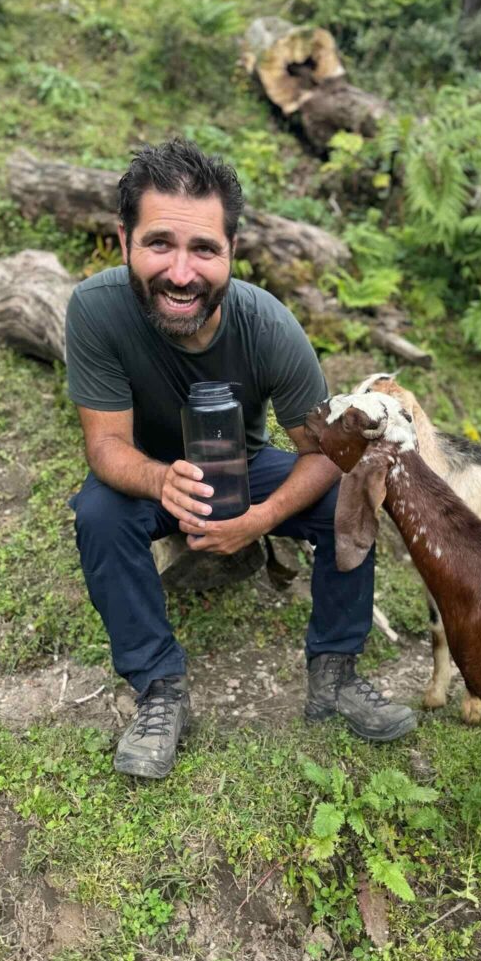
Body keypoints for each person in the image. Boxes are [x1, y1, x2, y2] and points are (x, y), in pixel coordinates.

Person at [65, 138, 416, 778]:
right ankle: (159, 688)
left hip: (247, 468)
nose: (180, 272)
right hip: (150, 474)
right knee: (99, 513)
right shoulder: (97, 310)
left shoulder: (269, 327)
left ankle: (334, 673)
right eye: (160, 243)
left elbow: (327, 456)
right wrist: (161, 479)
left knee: (353, 494)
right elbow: (106, 446)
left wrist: (259, 519)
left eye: (204, 249)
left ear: (231, 252)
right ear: (124, 241)